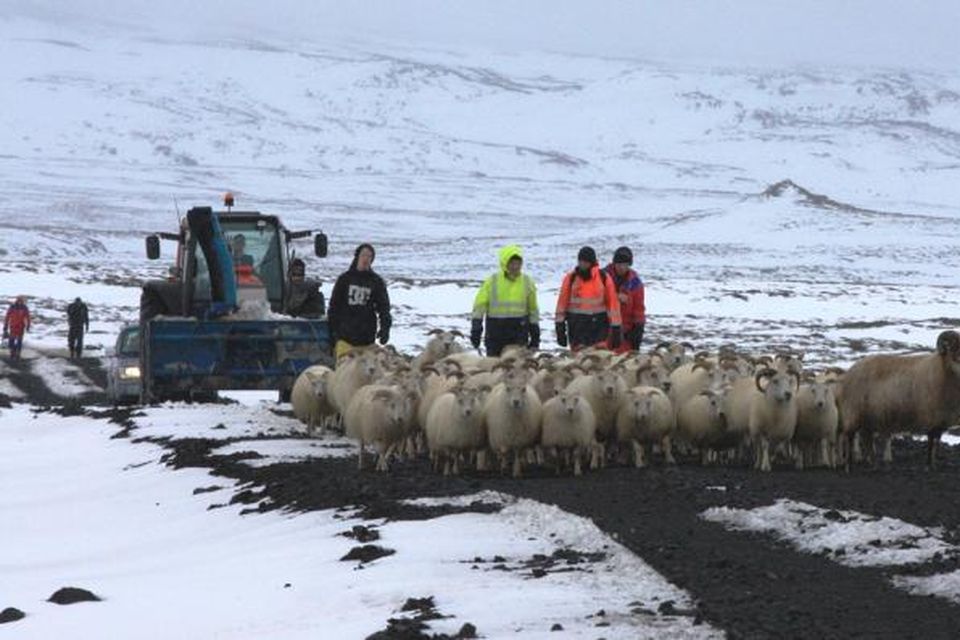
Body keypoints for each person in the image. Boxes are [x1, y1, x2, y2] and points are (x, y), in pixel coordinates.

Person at [470, 245, 540, 356]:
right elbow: (479, 306)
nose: (515, 266)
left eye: (518, 263)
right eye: (512, 263)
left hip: (518, 334)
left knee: (518, 369)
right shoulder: (492, 281)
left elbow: (533, 310)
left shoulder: (527, 282)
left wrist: (535, 334)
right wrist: (476, 328)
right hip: (495, 335)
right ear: (504, 263)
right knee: (494, 368)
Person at [328, 243, 391, 360]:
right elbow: (334, 307)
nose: (366, 259)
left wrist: (385, 329)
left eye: (369, 256)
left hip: (366, 340)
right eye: (364, 255)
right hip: (345, 339)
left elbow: (384, 308)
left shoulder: (376, 282)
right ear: (357, 257)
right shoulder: (344, 279)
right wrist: (332, 332)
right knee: (344, 375)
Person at [555, 246, 622, 351]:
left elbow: (613, 306)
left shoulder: (603, 278)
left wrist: (616, 328)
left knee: (599, 361)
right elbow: (562, 305)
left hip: (599, 329)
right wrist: (560, 327)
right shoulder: (570, 278)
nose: (583, 264)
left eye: (586, 261)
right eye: (580, 261)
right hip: (577, 329)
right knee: (577, 364)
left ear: (592, 262)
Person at [603, 246, 646, 353]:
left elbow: (638, 308)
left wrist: (638, 330)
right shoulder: (602, 277)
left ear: (629, 265)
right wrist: (615, 297)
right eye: (619, 264)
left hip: (625, 334)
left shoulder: (635, 282)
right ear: (614, 263)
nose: (621, 267)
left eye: (625, 264)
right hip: (603, 332)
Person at [3, 296, 31, 361]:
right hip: (13, 327)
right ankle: (12, 352)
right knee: (11, 341)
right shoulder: (12, 307)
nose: (20, 302)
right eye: (19, 301)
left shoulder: (24, 308)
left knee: (19, 341)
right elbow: (7, 317)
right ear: (17, 301)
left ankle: (18, 354)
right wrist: (5, 327)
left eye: (21, 301)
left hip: (21, 327)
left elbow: (28, 317)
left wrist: (28, 326)